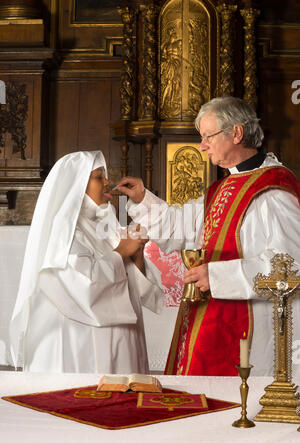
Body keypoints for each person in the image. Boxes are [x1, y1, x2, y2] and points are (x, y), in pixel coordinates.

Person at [116, 96, 300, 379]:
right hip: (216, 316)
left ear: (236, 133)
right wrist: (141, 198)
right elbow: (181, 226)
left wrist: (218, 276)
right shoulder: (224, 187)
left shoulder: (273, 190)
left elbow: (290, 266)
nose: (201, 146)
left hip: (253, 326)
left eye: (207, 136)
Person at [10, 150, 163, 373]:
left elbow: (134, 287)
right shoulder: (64, 229)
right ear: (77, 183)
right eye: (99, 176)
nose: (108, 182)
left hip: (121, 345)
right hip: (78, 345)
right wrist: (121, 251)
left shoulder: (105, 222)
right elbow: (80, 284)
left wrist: (136, 254)